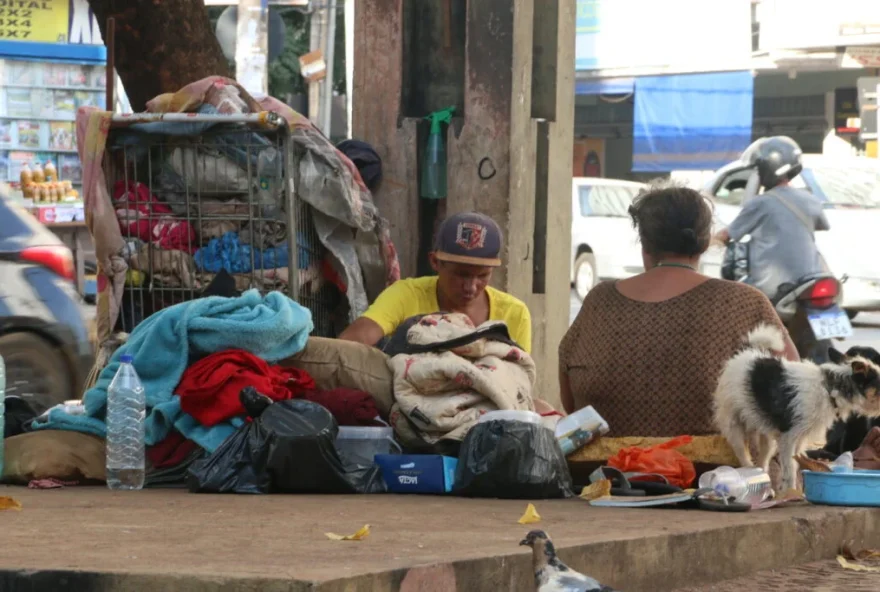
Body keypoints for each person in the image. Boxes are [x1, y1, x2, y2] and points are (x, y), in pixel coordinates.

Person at [559, 183, 799, 438]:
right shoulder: (744, 302)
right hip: (717, 474)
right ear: (705, 243)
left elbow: (570, 400)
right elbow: (793, 395)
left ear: (645, 243)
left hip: (604, 472)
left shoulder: (600, 300)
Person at [339, 212, 532, 353]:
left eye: (483, 276)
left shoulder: (515, 313)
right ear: (434, 262)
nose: (471, 287)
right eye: (461, 274)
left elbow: (519, 378)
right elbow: (352, 342)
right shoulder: (406, 295)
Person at [713, 136, 830, 301]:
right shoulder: (810, 199)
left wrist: (706, 243)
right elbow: (823, 225)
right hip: (810, 281)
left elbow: (727, 235)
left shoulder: (760, 203)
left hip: (771, 286)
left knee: (731, 306)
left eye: (759, 170)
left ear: (766, 170)